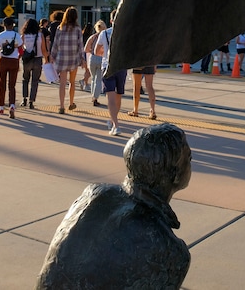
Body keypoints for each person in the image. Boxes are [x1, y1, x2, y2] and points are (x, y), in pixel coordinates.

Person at [36, 123, 192, 289]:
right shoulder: (171, 252)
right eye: (189, 159)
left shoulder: (95, 193)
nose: (191, 163)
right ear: (175, 175)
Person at [95, 9, 126, 135]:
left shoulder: (104, 33)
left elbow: (96, 51)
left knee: (110, 97)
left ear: (111, 20)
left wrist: (105, 54)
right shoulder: (125, 33)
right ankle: (113, 121)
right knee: (118, 96)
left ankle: (115, 124)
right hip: (121, 66)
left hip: (107, 66)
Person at [50, 7, 86, 114]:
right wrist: (82, 59)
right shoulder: (78, 29)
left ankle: (61, 106)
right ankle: (71, 103)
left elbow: (55, 44)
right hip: (73, 59)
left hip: (62, 58)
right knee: (72, 82)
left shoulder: (60, 28)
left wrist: (53, 56)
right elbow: (80, 45)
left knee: (62, 83)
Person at [0, 17, 22, 119]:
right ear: (13, 25)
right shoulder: (17, 35)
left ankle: (1, 107)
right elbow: (20, 49)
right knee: (12, 85)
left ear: (3, 24)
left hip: (3, 60)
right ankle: (12, 106)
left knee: (2, 84)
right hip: (14, 61)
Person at [20, 18, 48, 110]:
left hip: (27, 59)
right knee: (35, 81)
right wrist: (46, 59)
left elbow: (20, 48)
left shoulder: (24, 35)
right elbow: (44, 49)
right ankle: (31, 101)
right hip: (37, 59)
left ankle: (24, 98)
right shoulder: (40, 35)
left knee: (25, 79)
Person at [84, 20, 106, 106]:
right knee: (99, 79)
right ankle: (95, 98)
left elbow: (86, 49)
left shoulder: (92, 37)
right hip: (101, 58)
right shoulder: (104, 37)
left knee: (93, 78)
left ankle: (93, 96)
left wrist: (91, 50)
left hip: (92, 58)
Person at [80, 22, 94, 91]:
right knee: (89, 71)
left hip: (83, 53)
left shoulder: (82, 35)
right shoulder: (91, 36)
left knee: (87, 70)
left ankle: (85, 83)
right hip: (88, 53)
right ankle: (84, 81)